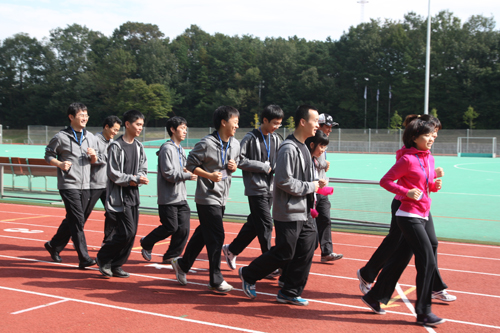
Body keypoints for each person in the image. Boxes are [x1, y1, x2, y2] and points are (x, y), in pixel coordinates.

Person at [357, 116, 456, 302]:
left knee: (426, 245)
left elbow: (424, 179)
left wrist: (434, 183)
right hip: (405, 205)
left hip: (421, 206)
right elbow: (405, 175)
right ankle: (369, 275)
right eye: (431, 132)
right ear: (416, 134)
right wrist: (430, 176)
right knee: (398, 245)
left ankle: (431, 287)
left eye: (435, 133)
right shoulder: (408, 155)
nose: (434, 136)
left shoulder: (428, 155)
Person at [238, 105, 320, 306]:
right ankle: (249, 274)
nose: (317, 125)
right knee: (285, 252)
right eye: (315, 121)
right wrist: (311, 186)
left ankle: (290, 290)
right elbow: (283, 180)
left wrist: (314, 190)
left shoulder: (305, 147)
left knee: (308, 246)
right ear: (303, 122)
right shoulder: (288, 148)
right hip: (289, 211)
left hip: (305, 210)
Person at [171, 106, 240, 294]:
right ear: (223, 122)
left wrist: (232, 168)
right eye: (235, 121)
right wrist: (208, 175)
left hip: (222, 196)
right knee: (217, 236)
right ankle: (215, 279)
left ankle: (183, 265)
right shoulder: (207, 143)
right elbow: (190, 164)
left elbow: (230, 167)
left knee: (204, 233)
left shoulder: (235, 144)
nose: (237, 124)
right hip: (207, 197)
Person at [222, 105, 284, 276]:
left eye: (279, 124)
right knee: (265, 223)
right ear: (264, 120)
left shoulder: (277, 138)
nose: (276, 127)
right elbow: (239, 160)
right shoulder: (250, 138)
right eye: (274, 123)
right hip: (256, 189)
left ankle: (232, 249)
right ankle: (268, 262)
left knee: (255, 224)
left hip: (272, 188)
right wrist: (263, 167)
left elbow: (281, 159)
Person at [43, 102, 98, 269]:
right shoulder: (60, 137)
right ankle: (84, 258)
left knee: (74, 219)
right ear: (71, 117)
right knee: (78, 220)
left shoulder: (91, 137)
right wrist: (59, 164)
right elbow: (48, 154)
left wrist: (94, 156)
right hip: (68, 184)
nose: (85, 118)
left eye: (86, 115)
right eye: (81, 115)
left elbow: (94, 161)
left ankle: (54, 245)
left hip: (86, 184)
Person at [96, 110, 149, 278]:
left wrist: (141, 177)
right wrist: (133, 178)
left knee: (132, 234)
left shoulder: (139, 147)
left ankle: (117, 264)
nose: (140, 128)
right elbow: (113, 173)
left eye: (142, 124)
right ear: (127, 124)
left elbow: (143, 167)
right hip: (120, 196)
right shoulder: (116, 146)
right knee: (126, 231)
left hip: (133, 195)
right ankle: (103, 257)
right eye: (138, 124)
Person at [140, 116, 197, 264]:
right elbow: (168, 174)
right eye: (182, 128)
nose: (185, 131)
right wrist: (187, 175)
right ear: (172, 129)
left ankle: (171, 255)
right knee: (170, 227)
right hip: (168, 197)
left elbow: (181, 168)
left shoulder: (181, 149)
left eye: (186, 128)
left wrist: (187, 170)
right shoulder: (167, 149)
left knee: (183, 229)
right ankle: (147, 242)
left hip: (181, 196)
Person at [85, 116, 122, 243]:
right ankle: (71, 235)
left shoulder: (112, 142)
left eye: (117, 131)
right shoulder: (94, 140)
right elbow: (90, 159)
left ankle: (108, 240)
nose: (115, 133)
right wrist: (106, 157)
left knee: (112, 213)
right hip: (93, 184)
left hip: (108, 185)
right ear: (106, 126)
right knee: (83, 213)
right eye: (114, 130)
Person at [315, 113, 343, 263]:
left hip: (322, 188)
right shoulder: (310, 141)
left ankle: (327, 251)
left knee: (325, 218)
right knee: (309, 226)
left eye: (331, 127)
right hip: (311, 188)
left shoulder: (324, 142)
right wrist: (324, 164)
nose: (330, 130)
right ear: (319, 125)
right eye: (328, 126)